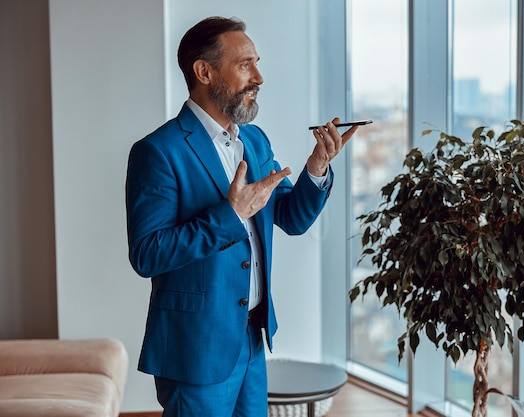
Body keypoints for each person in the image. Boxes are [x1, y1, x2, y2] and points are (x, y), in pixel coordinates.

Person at [125, 16, 358, 417]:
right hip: (196, 347)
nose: (259, 77)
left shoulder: (254, 139)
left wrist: (317, 166)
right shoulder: (158, 152)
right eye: (245, 64)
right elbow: (147, 253)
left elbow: (291, 216)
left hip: (252, 337)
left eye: (257, 62)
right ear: (204, 71)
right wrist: (230, 215)